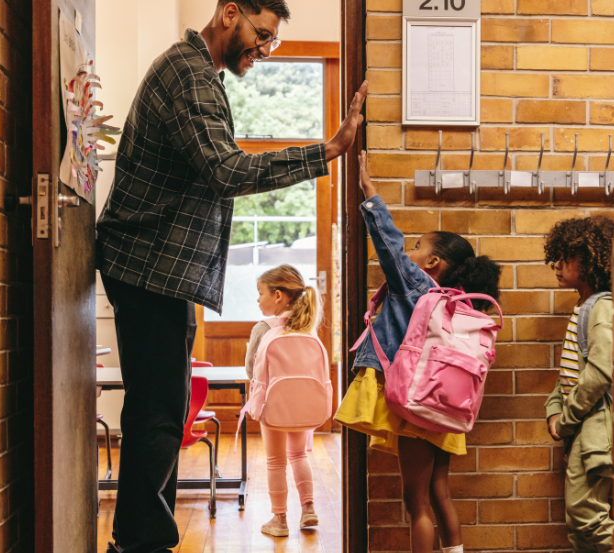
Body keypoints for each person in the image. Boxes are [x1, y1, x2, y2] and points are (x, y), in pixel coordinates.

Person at [95, 0, 368, 549]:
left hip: (163, 272)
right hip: (149, 269)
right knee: (158, 416)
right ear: (229, 13)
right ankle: (138, 542)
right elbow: (225, 170)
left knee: (163, 412)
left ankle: (141, 537)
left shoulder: (204, 75)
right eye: (260, 35)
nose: (263, 51)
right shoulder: (188, 73)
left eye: (272, 42)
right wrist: (328, 151)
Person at [335, 152, 501, 553]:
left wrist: (369, 193)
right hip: (447, 404)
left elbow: (388, 244)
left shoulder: (417, 286)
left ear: (434, 262)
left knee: (416, 502)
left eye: (418, 247)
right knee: (439, 491)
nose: (409, 253)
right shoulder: (463, 305)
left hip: (418, 403)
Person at [544, 217, 614, 553]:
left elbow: (599, 372)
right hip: (581, 425)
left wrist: (565, 420)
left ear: (594, 260)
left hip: (593, 424)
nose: (557, 264)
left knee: (587, 518)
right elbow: (569, 371)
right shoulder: (584, 306)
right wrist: (554, 408)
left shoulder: (602, 307)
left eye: (568, 256)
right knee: (579, 528)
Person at [244, 264, 322, 537]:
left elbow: (250, 370)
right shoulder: (307, 327)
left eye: (260, 293)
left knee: (275, 461)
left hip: (273, 405)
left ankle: (279, 520)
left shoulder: (263, 328)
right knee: (299, 454)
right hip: (303, 404)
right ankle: (308, 508)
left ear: (278, 295)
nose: (258, 299)